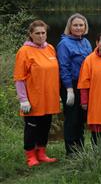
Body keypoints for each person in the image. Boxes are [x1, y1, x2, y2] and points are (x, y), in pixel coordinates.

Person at [14, 20, 60, 167]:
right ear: (31, 35)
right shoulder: (24, 51)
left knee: (45, 126)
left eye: (43, 33)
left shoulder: (50, 48)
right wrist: (23, 100)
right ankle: (30, 156)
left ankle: (41, 153)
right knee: (31, 128)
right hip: (33, 99)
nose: (41, 36)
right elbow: (19, 78)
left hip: (50, 98)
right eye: (37, 33)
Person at [57, 13, 92, 156]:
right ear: (70, 27)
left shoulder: (86, 42)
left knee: (81, 119)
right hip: (71, 85)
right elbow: (63, 67)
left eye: (81, 25)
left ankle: (80, 148)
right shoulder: (64, 44)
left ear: (85, 27)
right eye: (75, 25)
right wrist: (69, 89)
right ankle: (71, 152)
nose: (78, 28)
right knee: (72, 118)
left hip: (84, 85)